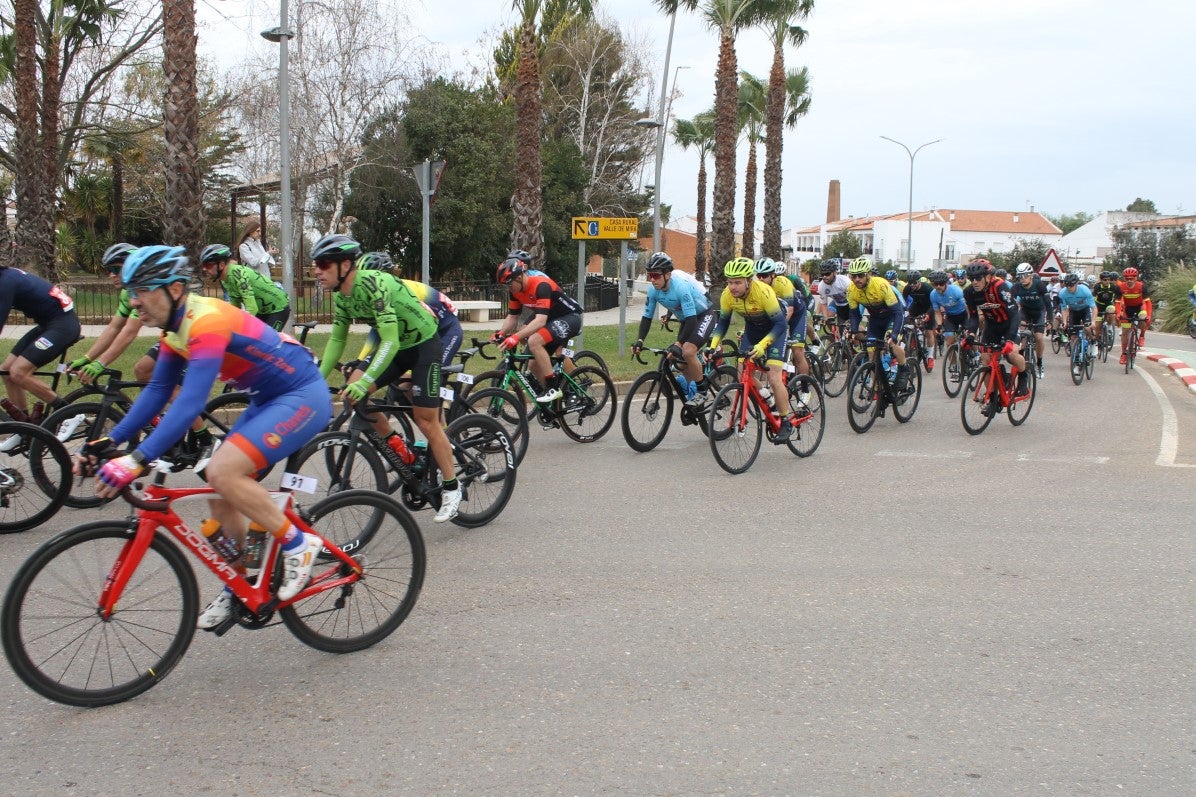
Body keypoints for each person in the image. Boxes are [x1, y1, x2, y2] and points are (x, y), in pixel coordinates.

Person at [73, 245, 332, 630]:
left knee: (223, 473)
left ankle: (298, 543)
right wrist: (111, 442)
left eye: (142, 289)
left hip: (302, 395)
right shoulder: (175, 327)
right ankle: (241, 582)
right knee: (219, 497)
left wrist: (137, 459)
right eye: (130, 291)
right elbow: (159, 389)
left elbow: (192, 400)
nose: (133, 301)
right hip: (268, 398)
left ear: (174, 289)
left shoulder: (206, 321)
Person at [311, 234, 463, 522]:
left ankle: (452, 487)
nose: (317, 270)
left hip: (424, 346)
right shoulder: (342, 295)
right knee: (357, 397)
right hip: (397, 348)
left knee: (426, 419)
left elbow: (390, 341)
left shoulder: (374, 284)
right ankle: (401, 452)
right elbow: (336, 340)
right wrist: (317, 380)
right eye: (315, 264)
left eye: (323, 263)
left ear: (345, 265)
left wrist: (364, 379)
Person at [704, 257, 797, 443]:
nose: (732, 287)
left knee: (773, 376)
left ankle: (786, 420)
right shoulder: (727, 295)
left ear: (749, 280)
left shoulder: (763, 292)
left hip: (774, 332)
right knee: (742, 375)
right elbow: (722, 324)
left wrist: (763, 345)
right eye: (730, 282)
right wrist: (712, 347)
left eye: (737, 282)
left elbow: (780, 324)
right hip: (752, 332)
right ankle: (766, 396)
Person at [492, 253, 584, 404]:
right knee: (533, 365)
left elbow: (540, 321)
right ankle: (561, 398)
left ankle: (553, 388)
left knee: (534, 341)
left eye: (509, 284)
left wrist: (515, 337)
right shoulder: (515, 291)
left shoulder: (541, 285)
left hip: (570, 317)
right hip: (551, 319)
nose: (508, 288)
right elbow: (513, 317)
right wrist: (501, 333)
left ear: (519, 277)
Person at [0, 262, 82, 424]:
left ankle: (70, 417)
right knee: (7, 371)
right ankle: (24, 426)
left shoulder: (6, 282)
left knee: (19, 372)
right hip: (48, 325)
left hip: (63, 326)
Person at [354, 251, 464, 370]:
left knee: (430, 373)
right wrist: (360, 361)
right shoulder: (380, 296)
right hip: (426, 332)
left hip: (447, 330)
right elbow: (377, 330)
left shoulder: (405, 292)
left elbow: (423, 326)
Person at [632, 251, 716, 398]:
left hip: (703, 315)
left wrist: (678, 343)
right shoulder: (653, 290)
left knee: (688, 351)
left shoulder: (680, 287)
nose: (652, 279)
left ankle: (702, 392)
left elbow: (692, 320)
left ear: (668, 275)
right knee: (681, 362)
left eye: (656, 275)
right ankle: (692, 388)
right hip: (687, 319)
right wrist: (640, 341)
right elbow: (646, 318)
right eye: (650, 275)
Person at [69, 243, 145, 384]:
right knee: (143, 370)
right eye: (109, 270)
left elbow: (129, 331)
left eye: (116, 269)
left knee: (145, 369)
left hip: (190, 334)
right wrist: (87, 358)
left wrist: (101, 363)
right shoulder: (127, 293)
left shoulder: (143, 291)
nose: (111, 275)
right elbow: (114, 328)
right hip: (170, 337)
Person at [967, 258, 1029, 405]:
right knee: (986, 359)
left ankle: (1023, 376)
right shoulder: (969, 292)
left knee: (1012, 353)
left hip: (1009, 324)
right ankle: (993, 396)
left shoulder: (1000, 287)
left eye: (977, 278)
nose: (974, 281)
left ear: (988, 277)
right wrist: (970, 334)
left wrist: (1009, 339)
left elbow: (1014, 314)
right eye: (971, 278)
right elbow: (974, 317)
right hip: (992, 326)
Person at [845, 256, 911, 390]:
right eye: (854, 276)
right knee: (871, 353)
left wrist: (894, 335)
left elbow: (898, 313)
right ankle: (876, 389)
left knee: (892, 343)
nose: (857, 279)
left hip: (893, 315)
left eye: (861, 275)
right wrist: (854, 330)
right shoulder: (851, 290)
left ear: (868, 274)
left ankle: (904, 367)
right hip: (875, 318)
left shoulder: (881, 285)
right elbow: (854, 313)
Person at [199, 243, 291, 331]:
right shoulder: (225, 279)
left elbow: (252, 308)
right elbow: (236, 306)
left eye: (208, 265)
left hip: (278, 308)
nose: (204, 269)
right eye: (203, 266)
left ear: (222, 265)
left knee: (268, 343)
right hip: (262, 311)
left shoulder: (238, 274)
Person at [755, 257, 809, 377]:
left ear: (773, 275)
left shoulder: (783, 283)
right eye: (758, 276)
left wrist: (779, 329)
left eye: (764, 275)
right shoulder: (759, 288)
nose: (761, 279)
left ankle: (805, 389)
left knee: (797, 351)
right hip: (779, 315)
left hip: (797, 314)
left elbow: (790, 310)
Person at [1011, 262, 1051, 378]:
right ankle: (1022, 360)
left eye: (1025, 275)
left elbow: (1048, 304)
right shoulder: (1017, 287)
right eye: (1020, 276)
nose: (1022, 278)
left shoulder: (1039, 285)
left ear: (1031, 275)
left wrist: (1049, 320)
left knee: (1038, 337)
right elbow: (1009, 302)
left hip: (1039, 311)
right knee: (1022, 335)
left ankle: (1039, 362)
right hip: (1025, 311)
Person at [929, 270, 969, 359]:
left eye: (941, 284)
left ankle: (976, 353)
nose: (938, 286)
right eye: (936, 284)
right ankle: (954, 366)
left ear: (946, 283)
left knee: (970, 336)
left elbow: (968, 308)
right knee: (949, 343)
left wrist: (970, 323)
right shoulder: (933, 295)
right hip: (951, 317)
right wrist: (939, 324)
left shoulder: (956, 291)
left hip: (964, 314)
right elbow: (937, 312)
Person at [902, 270, 936, 371]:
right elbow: (903, 302)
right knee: (907, 322)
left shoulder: (927, 288)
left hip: (929, 308)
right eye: (910, 283)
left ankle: (930, 356)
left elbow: (933, 304)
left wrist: (928, 314)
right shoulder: (907, 288)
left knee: (929, 332)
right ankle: (915, 336)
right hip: (916, 306)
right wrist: (903, 313)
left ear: (919, 281)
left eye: (914, 283)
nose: (912, 285)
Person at [1116, 267, 1151, 363]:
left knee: (1143, 318)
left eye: (1132, 278)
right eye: (1127, 278)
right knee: (1125, 331)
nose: (1129, 281)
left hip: (1140, 307)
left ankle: (1142, 336)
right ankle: (1123, 354)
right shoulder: (1121, 287)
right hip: (1128, 309)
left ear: (1136, 278)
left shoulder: (1142, 286)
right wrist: (1118, 313)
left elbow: (1148, 303)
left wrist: (1149, 315)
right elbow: (1118, 302)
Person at [1057, 272, 1097, 343]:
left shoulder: (1085, 290)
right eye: (1067, 285)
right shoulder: (1062, 293)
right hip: (1073, 311)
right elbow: (1064, 309)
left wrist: (1093, 321)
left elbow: (1094, 308)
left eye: (1071, 285)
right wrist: (1064, 322)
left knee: (1087, 328)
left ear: (1076, 284)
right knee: (1073, 337)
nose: (1069, 287)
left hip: (1085, 310)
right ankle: (1075, 352)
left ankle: (1094, 342)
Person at [1091, 271, 1122, 351]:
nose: (1107, 281)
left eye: (1109, 280)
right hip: (1099, 305)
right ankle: (1097, 342)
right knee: (1097, 328)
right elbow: (1093, 298)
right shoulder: (1097, 287)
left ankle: (1109, 328)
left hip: (1109, 304)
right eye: (1105, 280)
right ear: (1101, 280)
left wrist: (1119, 308)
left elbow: (1119, 297)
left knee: (1111, 311)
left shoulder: (1113, 287)